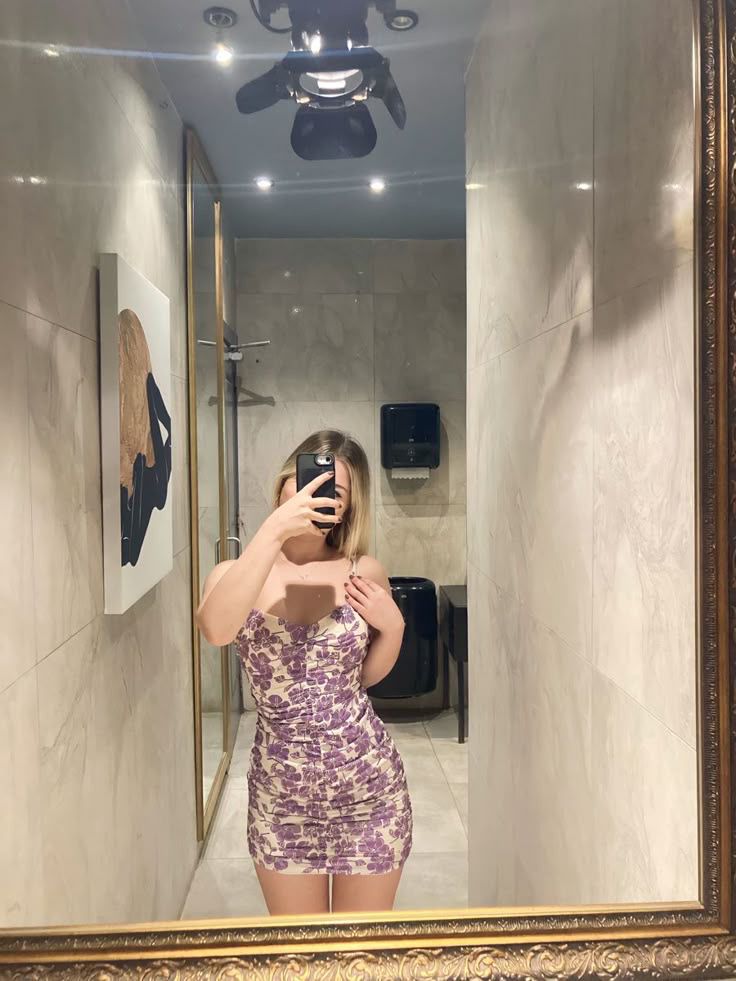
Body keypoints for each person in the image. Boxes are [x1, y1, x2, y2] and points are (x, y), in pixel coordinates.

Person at [196, 429, 413, 915]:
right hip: (281, 806)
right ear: (283, 484)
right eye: (307, 480)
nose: (315, 495)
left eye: (334, 491)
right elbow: (216, 630)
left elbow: (361, 681)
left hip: (369, 794)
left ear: (347, 510)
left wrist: (394, 628)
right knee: (299, 950)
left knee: (360, 951)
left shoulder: (363, 572)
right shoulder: (234, 574)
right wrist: (274, 531)